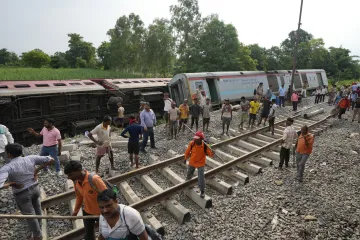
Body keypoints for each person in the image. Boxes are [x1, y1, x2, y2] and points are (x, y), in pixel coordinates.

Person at [0, 143, 54, 240]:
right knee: (37, 209)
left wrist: (12, 183)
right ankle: (39, 228)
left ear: (8, 155)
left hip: (22, 194)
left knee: (30, 215)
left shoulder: (7, 167)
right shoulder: (31, 158)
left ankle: (38, 235)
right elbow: (51, 159)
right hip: (35, 188)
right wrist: (37, 170)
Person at [65, 161, 108, 240]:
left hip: (101, 213)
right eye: (68, 175)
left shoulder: (94, 179)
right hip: (87, 212)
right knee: (88, 236)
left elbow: (108, 195)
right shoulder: (76, 182)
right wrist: (75, 212)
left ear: (79, 170)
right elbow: (79, 197)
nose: (69, 177)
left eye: (70, 175)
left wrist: (107, 213)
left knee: (105, 235)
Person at [184, 132, 214, 198]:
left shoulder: (205, 146)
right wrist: (185, 158)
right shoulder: (192, 143)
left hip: (200, 163)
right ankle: (186, 185)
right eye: (195, 138)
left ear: (201, 139)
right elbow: (187, 152)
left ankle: (202, 191)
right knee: (189, 174)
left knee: (201, 177)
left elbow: (211, 154)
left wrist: (210, 147)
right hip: (192, 161)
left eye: (197, 139)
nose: (195, 139)